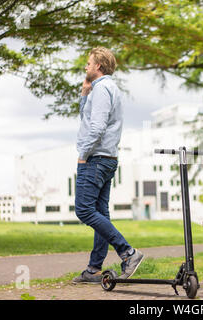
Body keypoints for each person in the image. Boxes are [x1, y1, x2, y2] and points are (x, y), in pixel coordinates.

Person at [73, 47, 144, 283]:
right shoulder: (103, 89)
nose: (85, 66)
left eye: (88, 63)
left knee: (84, 209)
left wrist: (84, 154)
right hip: (107, 158)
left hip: (96, 159)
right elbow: (88, 117)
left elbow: (97, 127)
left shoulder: (103, 89)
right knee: (100, 212)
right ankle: (94, 269)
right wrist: (84, 94)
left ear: (98, 67)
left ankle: (128, 252)